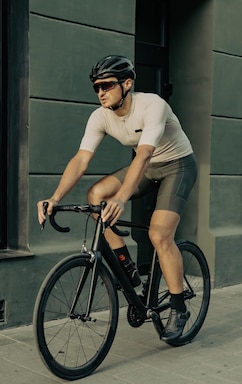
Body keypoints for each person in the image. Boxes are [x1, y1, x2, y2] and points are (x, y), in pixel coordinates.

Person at [37, 55, 198, 342]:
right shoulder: (100, 116)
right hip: (147, 167)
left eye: (107, 85)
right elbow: (81, 160)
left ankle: (178, 307)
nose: (101, 92)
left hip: (178, 165)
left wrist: (122, 199)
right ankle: (127, 268)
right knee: (96, 194)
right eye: (97, 87)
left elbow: (146, 152)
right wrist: (55, 197)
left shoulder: (152, 105)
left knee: (160, 235)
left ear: (127, 84)